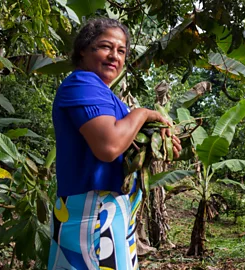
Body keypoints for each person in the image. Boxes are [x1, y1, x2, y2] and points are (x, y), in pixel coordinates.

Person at [48, 18, 181, 270]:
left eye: (121, 51)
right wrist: (142, 113)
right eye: (105, 47)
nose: (114, 56)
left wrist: (156, 143)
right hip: (95, 213)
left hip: (109, 213)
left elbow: (121, 144)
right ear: (83, 50)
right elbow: (109, 147)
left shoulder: (105, 95)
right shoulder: (82, 83)